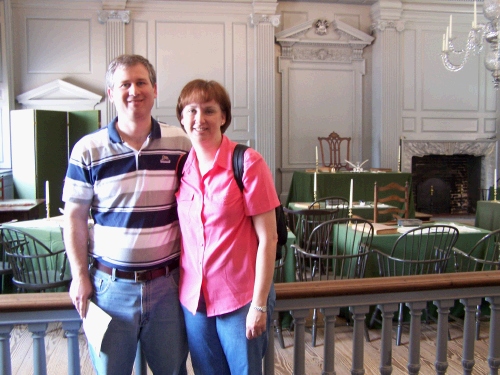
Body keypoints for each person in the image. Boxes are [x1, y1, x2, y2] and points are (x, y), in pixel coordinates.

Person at [62, 54, 190, 375]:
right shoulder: (87, 149)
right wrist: (79, 276)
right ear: (111, 93)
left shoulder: (181, 144)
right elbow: (75, 218)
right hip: (109, 290)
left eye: (141, 82)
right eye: (125, 84)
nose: (134, 90)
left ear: (155, 89)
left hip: (168, 287)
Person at [175, 79, 279, 375]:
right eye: (191, 111)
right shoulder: (183, 167)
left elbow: (268, 238)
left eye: (209, 110)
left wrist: (259, 305)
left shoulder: (247, 162)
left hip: (241, 299)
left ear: (223, 117)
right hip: (195, 300)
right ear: (182, 118)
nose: (200, 119)